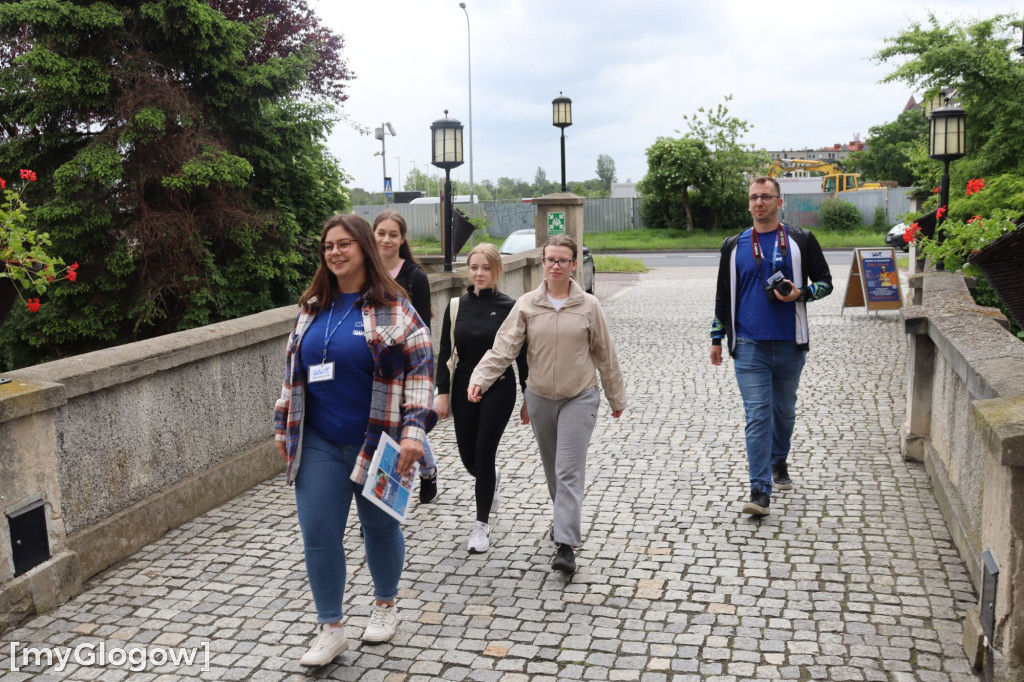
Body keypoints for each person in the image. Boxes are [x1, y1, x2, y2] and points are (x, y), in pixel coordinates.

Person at [273, 213, 437, 667]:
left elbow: (422, 371)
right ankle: (331, 628)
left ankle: (385, 604)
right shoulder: (311, 307)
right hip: (320, 441)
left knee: (380, 528)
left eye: (344, 244)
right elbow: (293, 373)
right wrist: (281, 426)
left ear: (364, 248)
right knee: (319, 534)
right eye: (328, 246)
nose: (335, 253)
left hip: (380, 440)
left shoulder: (395, 306)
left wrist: (413, 433)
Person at [468, 235, 626, 576]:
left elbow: (605, 353)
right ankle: (561, 520)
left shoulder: (589, 306)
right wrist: (480, 378)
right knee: (554, 467)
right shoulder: (526, 305)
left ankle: (566, 545)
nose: (556, 265)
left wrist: (616, 396)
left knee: (569, 469)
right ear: (542, 263)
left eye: (563, 260)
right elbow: (504, 349)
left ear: (573, 266)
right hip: (539, 397)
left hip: (579, 396)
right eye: (550, 260)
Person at [710, 176, 833, 516]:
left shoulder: (801, 240)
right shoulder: (733, 246)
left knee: (784, 412)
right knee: (758, 414)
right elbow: (724, 294)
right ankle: (759, 489)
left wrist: (801, 294)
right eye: (753, 197)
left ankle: (779, 459)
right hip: (749, 344)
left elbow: (826, 283)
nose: (759, 203)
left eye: (766, 197)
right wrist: (717, 337)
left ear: (780, 202)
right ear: (748, 203)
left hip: (790, 343)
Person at [435, 243, 528, 554]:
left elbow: (523, 357)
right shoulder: (455, 307)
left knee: (484, 453)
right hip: (463, 387)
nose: (479, 273)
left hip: (498, 387)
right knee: (468, 458)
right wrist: (442, 393)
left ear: (497, 270)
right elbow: (445, 353)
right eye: (474, 267)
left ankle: (481, 526)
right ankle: (491, 478)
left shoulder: (510, 307)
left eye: (485, 268)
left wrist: (529, 397)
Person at [372, 210, 440, 504]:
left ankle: (385, 501)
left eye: (393, 234)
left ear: (402, 239)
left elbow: (422, 331)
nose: (386, 239)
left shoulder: (415, 276)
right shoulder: (364, 272)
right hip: (373, 368)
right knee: (385, 431)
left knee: (403, 427)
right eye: (381, 233)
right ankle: (426, 469)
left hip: (407, 369)